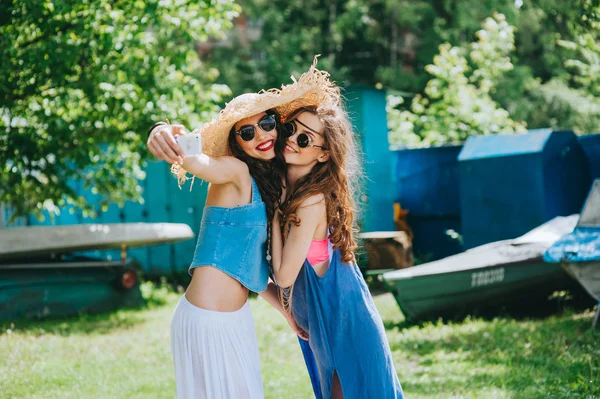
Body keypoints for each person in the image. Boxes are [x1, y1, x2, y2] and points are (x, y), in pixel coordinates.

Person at [147, 71, 336, 398]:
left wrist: (288, 314)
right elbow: (199, 162)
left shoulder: (266, 189)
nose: (260, 135)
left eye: (266, 123)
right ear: (237, 143)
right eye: (246, 132)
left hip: (234, 318)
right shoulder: (235, 172)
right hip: (207, 321)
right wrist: (163, 132)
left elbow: (250, 270)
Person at [270, 66, 405, 399]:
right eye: (289, 129)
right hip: (325, 327)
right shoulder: (289, 192)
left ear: (323, 153)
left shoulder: (310, 201)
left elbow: (284, 277)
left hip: (349, 328)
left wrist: (273, 215)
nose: (290, 140)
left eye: (304, 138)